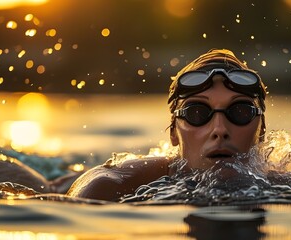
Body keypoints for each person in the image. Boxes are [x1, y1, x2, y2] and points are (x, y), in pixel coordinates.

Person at [66, 48, 267, 201]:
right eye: (197, 113)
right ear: (173, 133)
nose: (220, 130)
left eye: (240, 112)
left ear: (262, 131)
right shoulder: (114, 183)